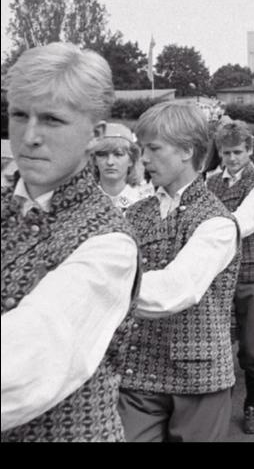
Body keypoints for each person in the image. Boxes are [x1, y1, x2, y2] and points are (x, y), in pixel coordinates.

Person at [1, 42, 138, 442]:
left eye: (52, 120)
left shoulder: (109, 241)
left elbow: (24, 365)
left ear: (94, 135)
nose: (29, 137)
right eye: (18, 115)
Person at [117, 101, 240, 442]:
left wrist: (91, 289)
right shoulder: (135, 214)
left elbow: (178, 288)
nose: (143, 159)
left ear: (187, 151)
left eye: (153, 148)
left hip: (198, 379)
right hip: (136, 374)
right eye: (141, 149)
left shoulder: (217, 222)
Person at [206, 120, 254, 435]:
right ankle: (221, 405)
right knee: (219, 345)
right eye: (226, 153)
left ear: (249, 151)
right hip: (219, 275)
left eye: (237, 152)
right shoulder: (209, 182)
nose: (232, 159)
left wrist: (205, 227)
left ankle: (252, 403)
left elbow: (243, 224)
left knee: (252, 348)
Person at [90, 122, 152, 210]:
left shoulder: (145, 201)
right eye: (102, 155)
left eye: (118, 154)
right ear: (94, 160)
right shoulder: (83, 199)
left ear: (131, 159)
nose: (110, 162)